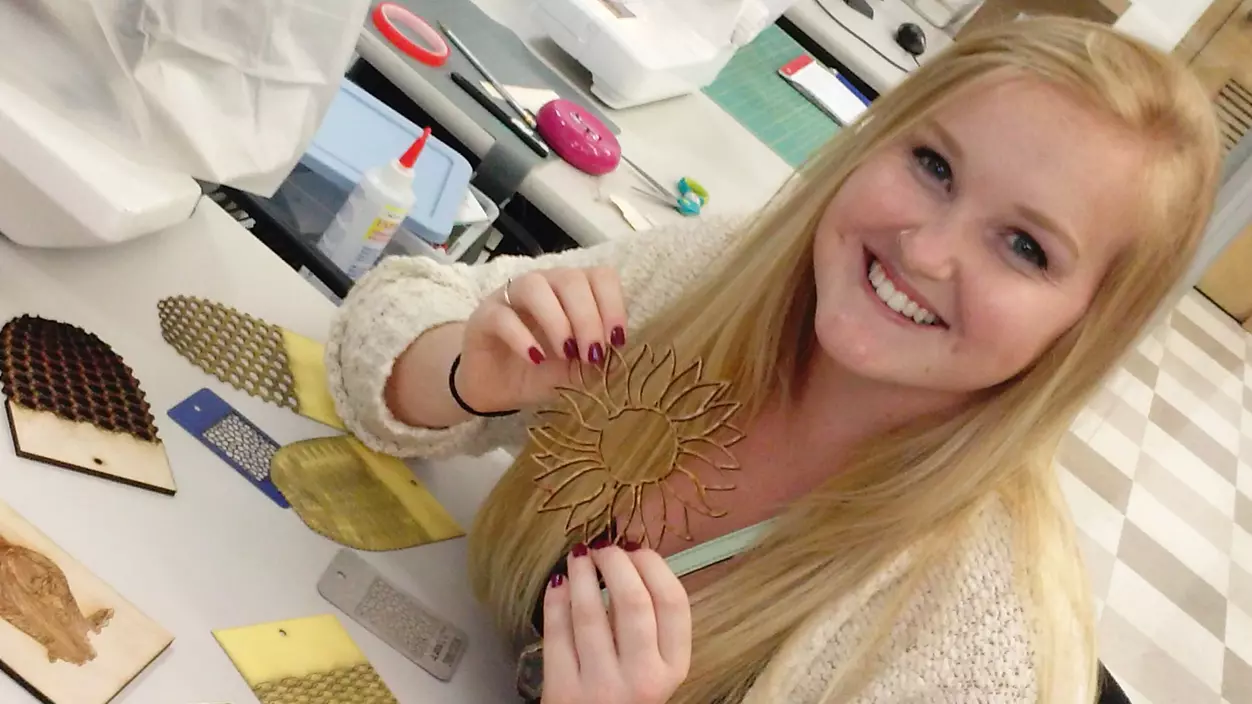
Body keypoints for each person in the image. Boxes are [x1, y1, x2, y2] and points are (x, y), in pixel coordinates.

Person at [326, 17, 1220, 704]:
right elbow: (395, 313)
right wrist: (462, 374)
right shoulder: (726, 272)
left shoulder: (988, 647)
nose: (929, 249)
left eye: (1025, 247)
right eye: (934, 166)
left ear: (1085, 326)